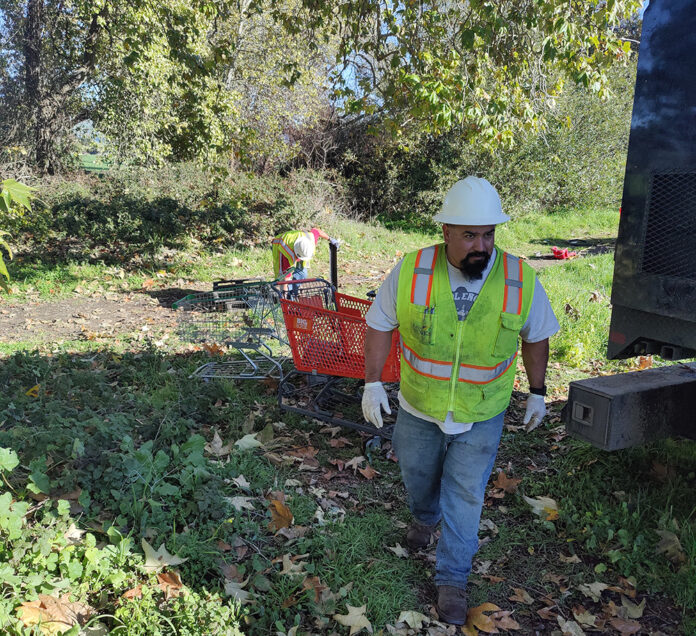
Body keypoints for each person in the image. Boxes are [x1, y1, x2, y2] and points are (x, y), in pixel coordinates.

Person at [361, 176, 559, 625]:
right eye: (469, 235)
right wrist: (373, 382)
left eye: (488, 234)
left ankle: (452, 578)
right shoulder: (412, 270)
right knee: (418, 474)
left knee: (465, 494)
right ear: (446, 231)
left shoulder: (518, 277)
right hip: (418, 405)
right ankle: (423, 516)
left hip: (482, 411)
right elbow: (379, 322)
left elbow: (536, 335)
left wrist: (539, 392)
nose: (481, 245)